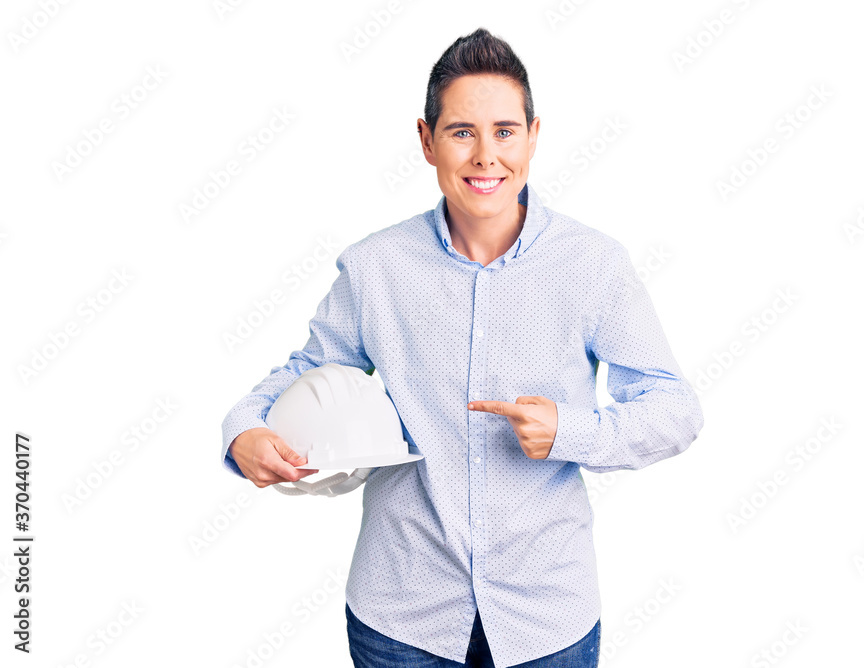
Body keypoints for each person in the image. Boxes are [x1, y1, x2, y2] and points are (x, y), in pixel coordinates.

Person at [221, 27, 704, 668]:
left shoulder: (593, 266)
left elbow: (675, 408)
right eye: (461, 132)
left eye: (505, 131)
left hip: (545, 619)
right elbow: (310, 368)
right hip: (400, 618)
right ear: (426, 140)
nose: (486, 156)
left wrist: (572, 431)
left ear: (534, 136)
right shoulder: (376, 268)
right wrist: (243, 431)